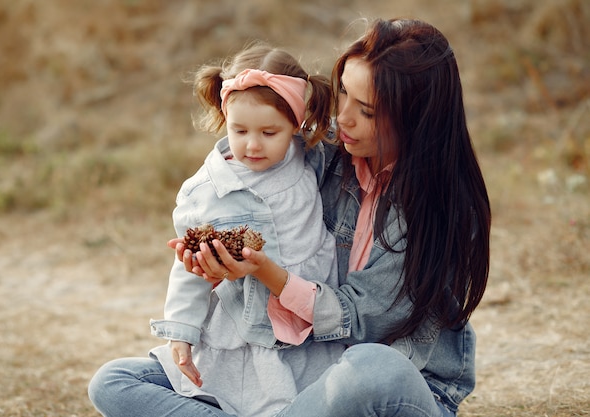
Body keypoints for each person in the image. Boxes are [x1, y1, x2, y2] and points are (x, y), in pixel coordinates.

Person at [173, 18, 491, 417]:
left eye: (369, 111)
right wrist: (215, 262)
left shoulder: (441, 207)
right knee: (117, 381)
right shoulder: (325, 158)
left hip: (394, 385)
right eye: (343, 92)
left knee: (374, 367)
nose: (344, 118)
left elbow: (364, 322)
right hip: (311, 373)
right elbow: (251, 172)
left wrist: (268, 273)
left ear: (418, 118)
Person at [88, 42, 344, 417]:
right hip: (242, 336)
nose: (252, 145)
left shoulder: (310, 155)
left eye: (269, 133)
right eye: (239, 130)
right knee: (110, 382)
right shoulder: (205, 191)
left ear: (296, 123)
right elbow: (188, 269)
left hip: (309, 334)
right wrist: (182, 331)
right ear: (225, 117)